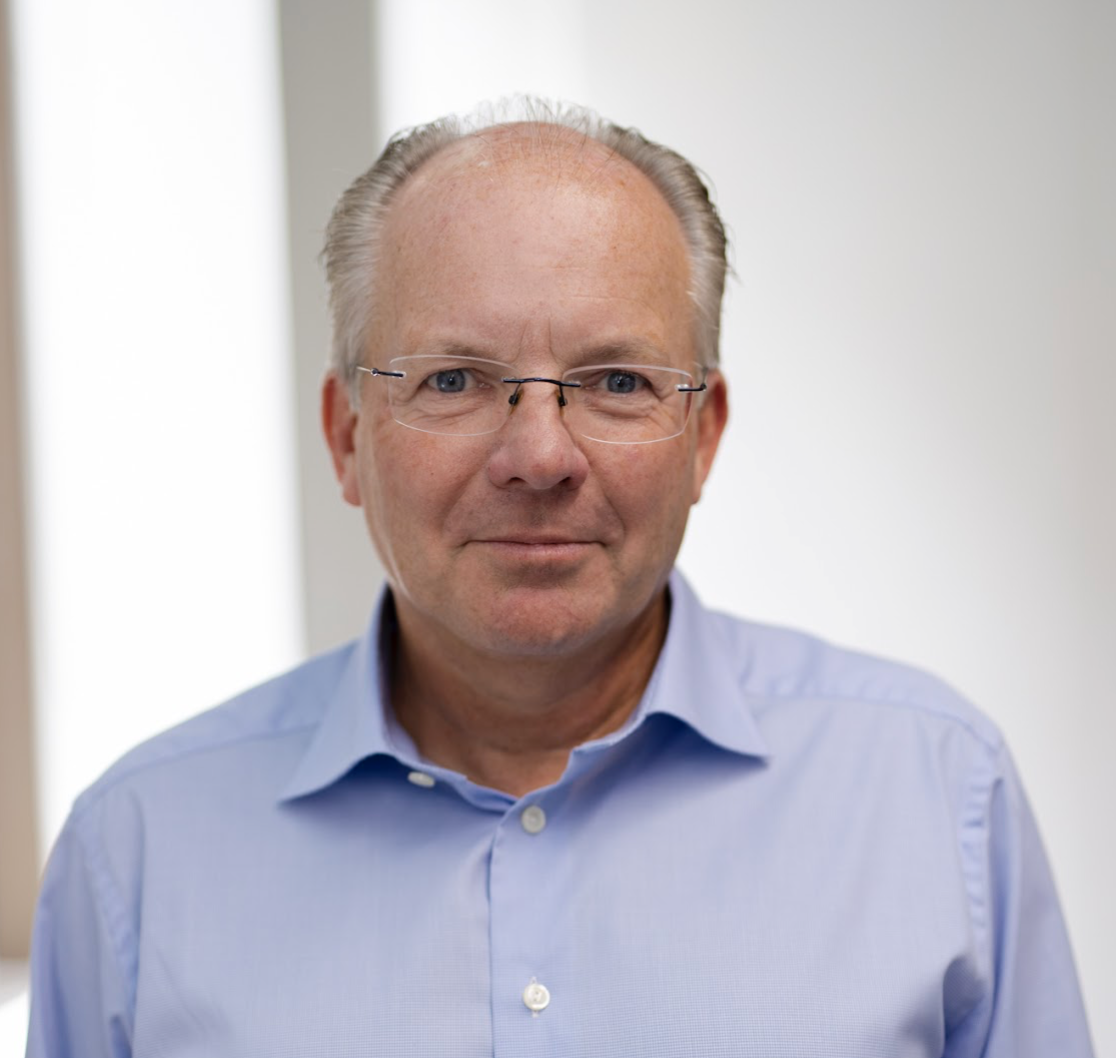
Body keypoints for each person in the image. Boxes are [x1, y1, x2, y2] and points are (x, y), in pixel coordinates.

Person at [26, 101, 1093, 1057]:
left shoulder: (935, 792)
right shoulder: (139, 853)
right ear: (347, 437)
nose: (540, 456)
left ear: (703, 434)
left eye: (616, 380)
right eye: (454, 378)